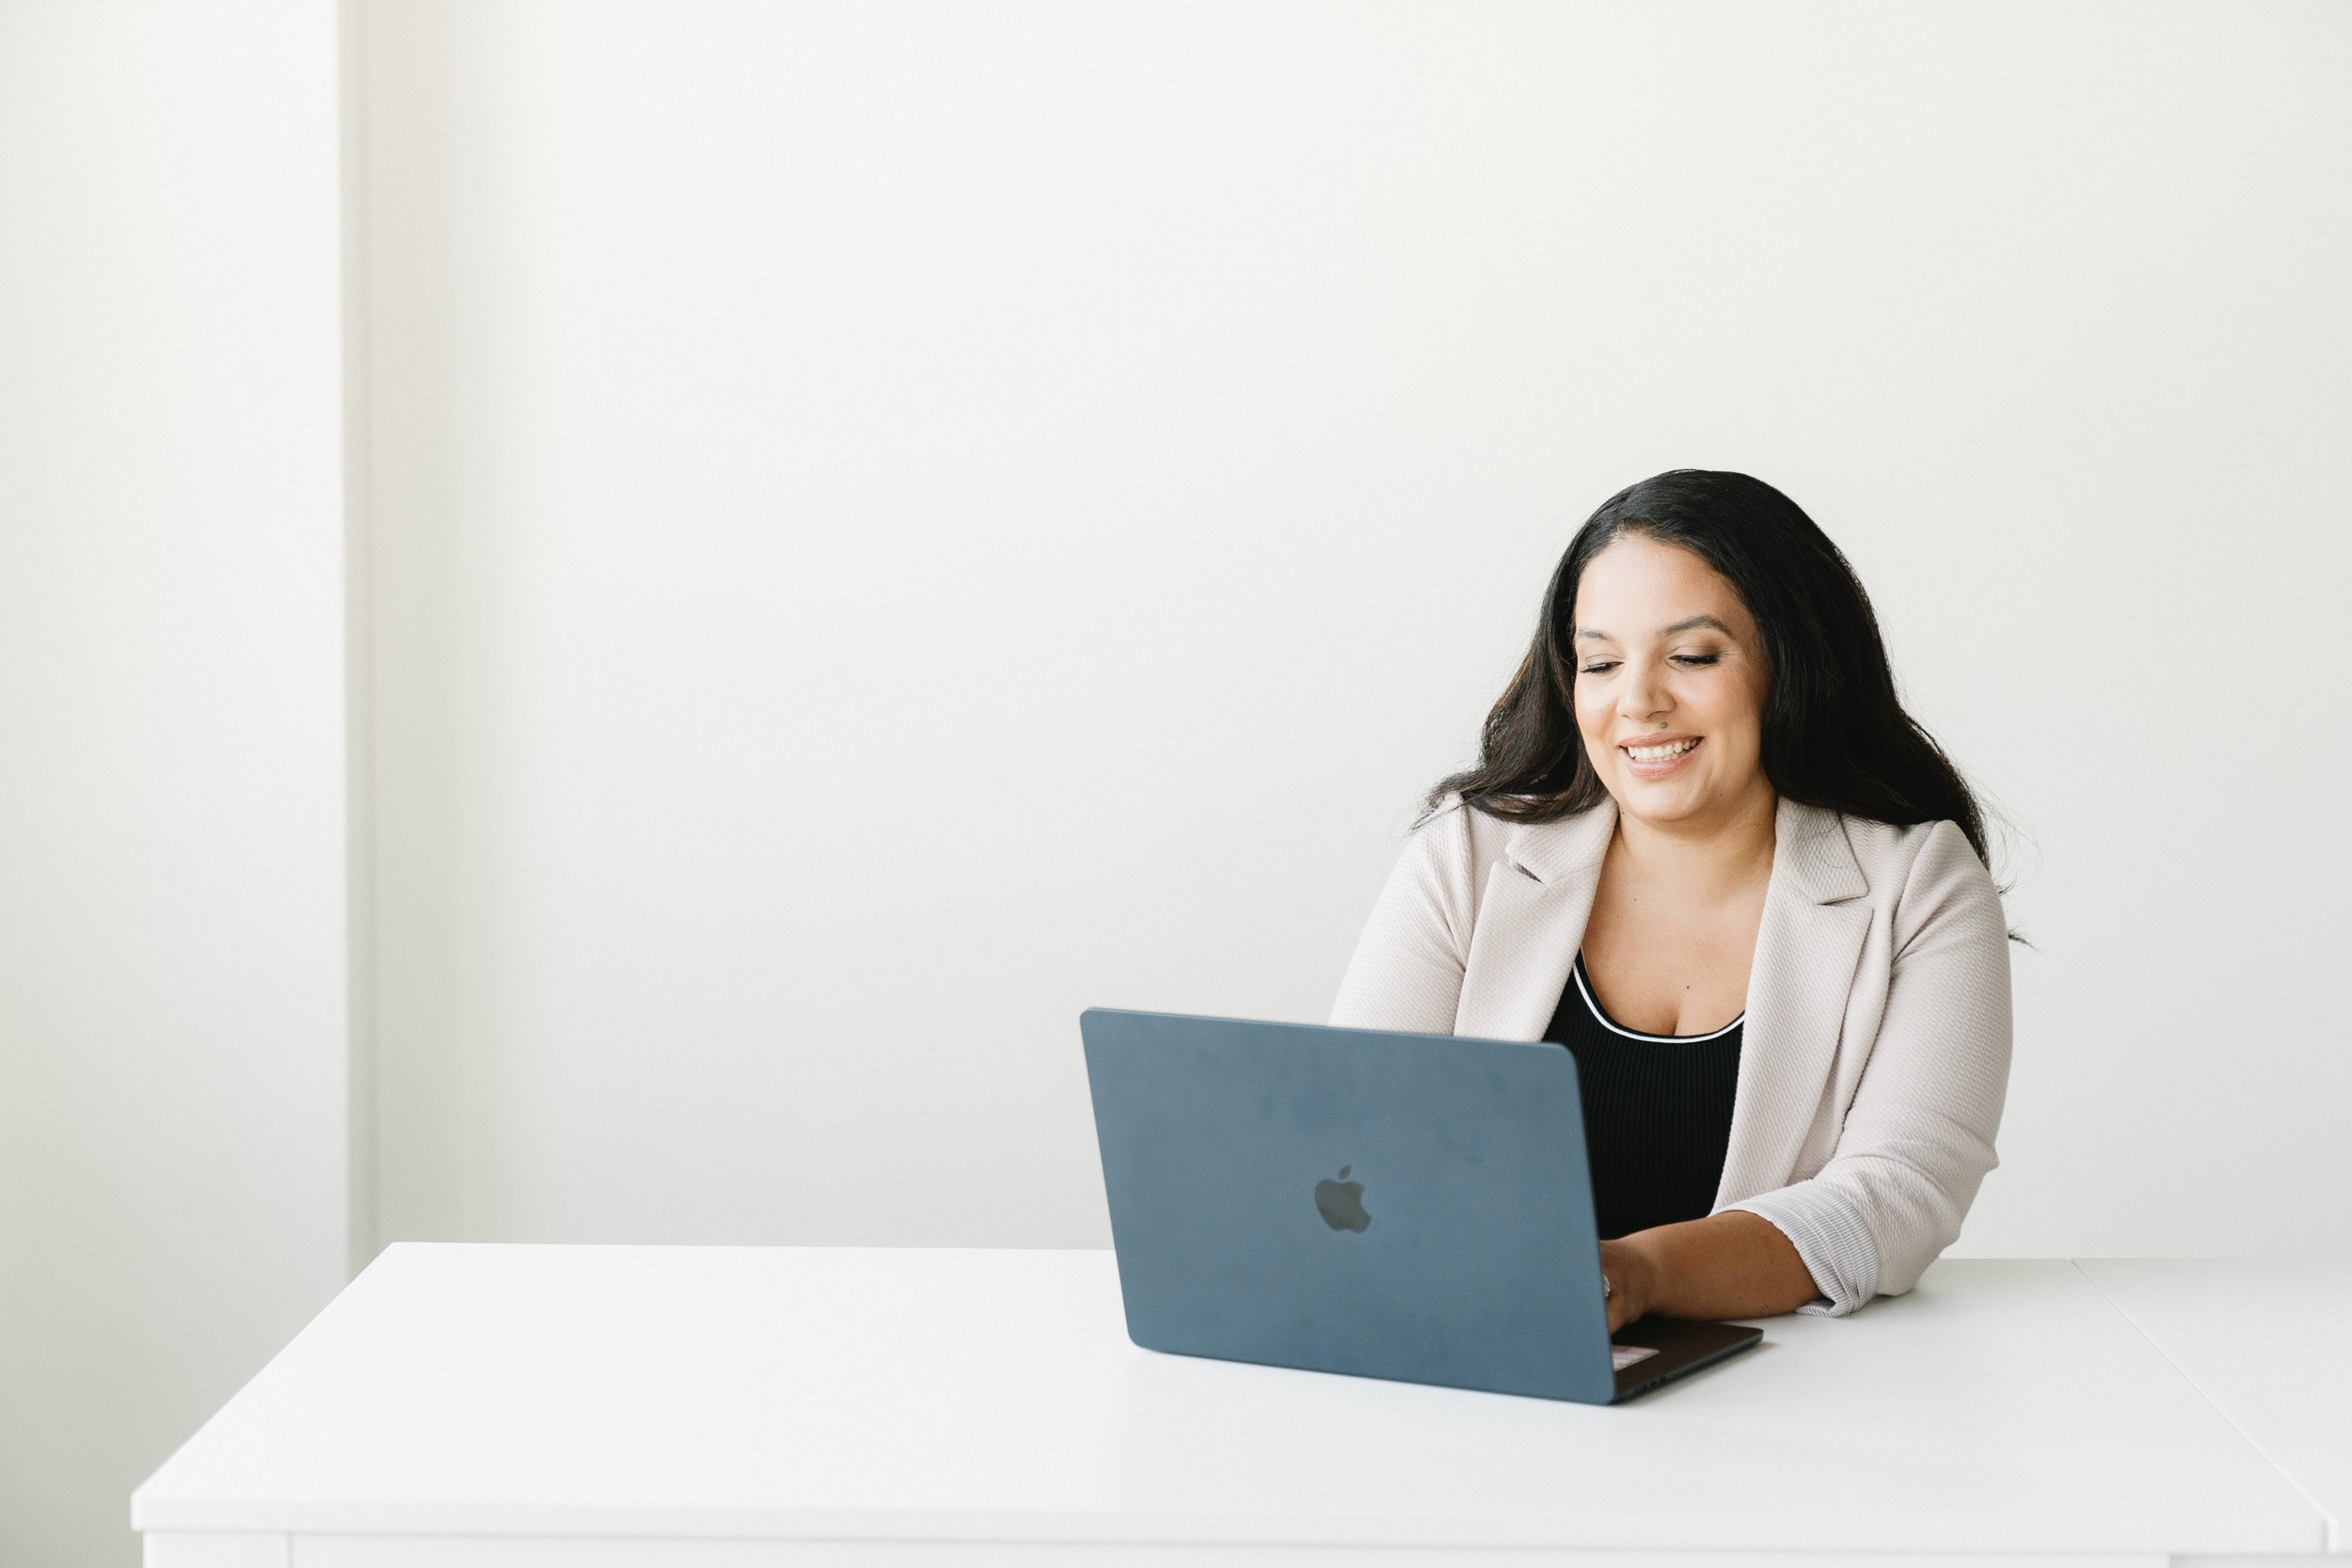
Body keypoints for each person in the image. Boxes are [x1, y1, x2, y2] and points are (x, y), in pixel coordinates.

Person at [1330, 469, 2010, 1329]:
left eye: (1692, 656)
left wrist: (1632, 1275)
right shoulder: (1467, 859)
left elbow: (1897, 1195)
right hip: (1486, 1366)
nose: (1638, 703)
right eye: (1602, 662)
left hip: (1791, 1404)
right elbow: (1347, 1143)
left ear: (1791, 663)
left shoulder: (1919, 883)